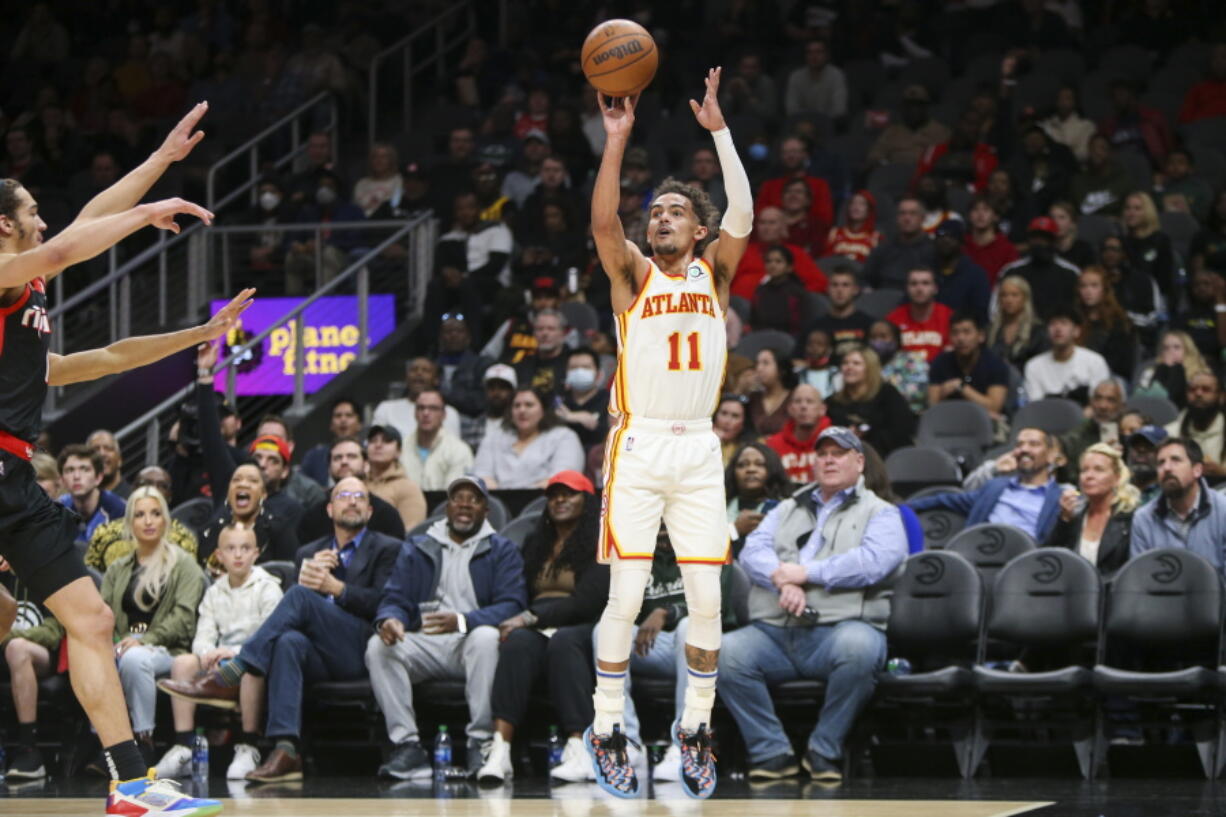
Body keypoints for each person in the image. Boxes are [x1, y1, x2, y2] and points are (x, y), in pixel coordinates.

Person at [0, 101, 243, 814]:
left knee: (94, 622)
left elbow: (99, 354)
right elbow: (63, 247)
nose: (45, 221)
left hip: (16, 480)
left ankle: (132, 787)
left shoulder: (29, 294)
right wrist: (149, 212)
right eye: (32, 211)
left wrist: (161, 160)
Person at [585, 67, 753, 798]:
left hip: (696, 448)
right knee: (623, 596)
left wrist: (718, 130)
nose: (661, 216)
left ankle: (694, 727)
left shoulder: (715, 273)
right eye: (656, 210)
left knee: (706, 599)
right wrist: (616, 140)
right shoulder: (634, 275)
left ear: (699, 227)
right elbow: (601, 224)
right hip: (640, 444)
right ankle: (609, 725)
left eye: (676, 209)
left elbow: (745, 211)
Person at [159, 476, 401, 783]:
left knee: (298, 596)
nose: (352, 500)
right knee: (288, 641)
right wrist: (318, 578)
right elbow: (297, 618)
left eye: (359, 496)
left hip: (361, 649)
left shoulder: (388, 548)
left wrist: (336, 587)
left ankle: (233, 672)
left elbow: (387, 602)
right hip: (317, 654)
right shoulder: (308, 553)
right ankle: (286, 749)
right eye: (344, 495)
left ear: (368, 510)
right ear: (329, 509)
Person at [722, 426, 906, 783]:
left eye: (839, 453)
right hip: (773, 631)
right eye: (823, 454)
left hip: (840, 629)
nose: (829, 460)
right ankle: (771, 753)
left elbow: (872, 562)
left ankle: (824, 749)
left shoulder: (882, 513)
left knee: (861, 647)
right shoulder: (786, 508)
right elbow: (754, 550)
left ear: (859, 462)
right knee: (724, 652)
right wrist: (781, 577)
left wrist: (806, 573)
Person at [367, 475, 526, 780]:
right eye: (457, 498)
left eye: (474, 499)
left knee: (485, 637)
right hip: (425, 641)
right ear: (447, 507)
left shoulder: (501, 549)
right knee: (378, 645)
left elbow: (512, 604)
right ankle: (408, 748)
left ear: (486, 510)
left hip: (469, 643)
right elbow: (394, 596)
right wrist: (390, 619)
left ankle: (480, 741)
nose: (465, 504)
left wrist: (464, 620)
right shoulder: (419, 546)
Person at [478, 471, 610, 784]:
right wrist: (523, 619)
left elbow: (587, 602)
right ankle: (500, 750)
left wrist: (531, 617)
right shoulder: (536, 542)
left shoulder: (602, 542)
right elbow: (520, 592)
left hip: (583, 624)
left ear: (587, 501)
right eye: (553, 495)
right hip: (537, 624)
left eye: (569, 494)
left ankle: (580, 747)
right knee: (518, 644)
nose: (560, 500)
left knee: (564, 643)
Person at [153, 524, 282, 781]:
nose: (238, 555)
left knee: (251, 667)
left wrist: (232, 653)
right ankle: (184, 746)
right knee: (183, 662)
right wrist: (208, 653)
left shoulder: (268, 588)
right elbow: (203, 634)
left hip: (251, 662)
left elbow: (269, 636)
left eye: (245, 549)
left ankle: (249, 745)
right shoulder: (213, 592)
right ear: (219, 556)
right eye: (231, 549)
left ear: (256, 553)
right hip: (218, 666)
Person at [612, 521, 738, 781]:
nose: (662, 529)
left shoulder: (710, 547)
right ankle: (626, 742)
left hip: (710, 646)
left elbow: (715, 606)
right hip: (656, 646)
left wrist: (668, 612)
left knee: (689, 625)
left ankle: (688, 744)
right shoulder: (635, 555)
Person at [102, 487, 207, 767]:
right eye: (139, 515)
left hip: (167, 649)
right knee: (97, 661)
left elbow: (184, 618)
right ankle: (100, 744)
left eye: (155, 513)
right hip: (123, 645)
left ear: (166, 520)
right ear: (129, 523)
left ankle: (142, 741)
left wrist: (145, 639)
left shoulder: (185, 565)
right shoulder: (117, 568)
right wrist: (112, 643)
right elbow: (103, 615)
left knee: (134, 658)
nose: (148, 521)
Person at [910, 427, 1064, 541]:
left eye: (1034, 444)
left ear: (1051, 455)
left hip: (1027, 565)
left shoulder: (1061, 497)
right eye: (1019, 445)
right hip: (981, 557)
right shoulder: (995, 487)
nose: (1024, 449)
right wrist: (900, 509)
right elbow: (945, 499)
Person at [1130, 437, 1226, 577]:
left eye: (1176, 460)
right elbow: (1140, 580)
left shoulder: (1223, 510)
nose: (1167, 468)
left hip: (1216, 596)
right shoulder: (1144, 518)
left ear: (1197, 470)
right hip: (1163, 597)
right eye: (1161, 463)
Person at [1046, 443, 1140, 575]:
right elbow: (1048, 560)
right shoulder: (1073, 515)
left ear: (1117, 478)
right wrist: (1064, 520)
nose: (1089, 476)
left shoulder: (1131, 517)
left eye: (1099, 469)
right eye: (1084, 470)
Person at [86, 466, 198, 570]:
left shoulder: (184, 539)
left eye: (162, 485)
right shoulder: (105, 535)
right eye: (146, 483)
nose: (153, 490)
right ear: (133, 489)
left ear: (170, 496)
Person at [296, 438, 406, 544]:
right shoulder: (312, 516)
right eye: (337, 458)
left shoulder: (387, 515)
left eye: (352, 456)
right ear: (329, 469)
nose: (344, 462)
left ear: (366, 465)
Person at [472, 387, 585, 490]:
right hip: (497, 502)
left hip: (545, 502)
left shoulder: (564, 437)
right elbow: (481, 475)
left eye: (529, 405)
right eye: (517, 406)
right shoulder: (493, 438)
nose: (522, 410)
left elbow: (563, 478)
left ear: (543, 410)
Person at [825, 345, 916, 456]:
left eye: (856, 363)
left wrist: (866, 435)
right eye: (845, 363)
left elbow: (902, 431)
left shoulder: (888, 394)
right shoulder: (833, 401)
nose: (849, 367)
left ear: (870, 368)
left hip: (886, 457)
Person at [997, 217, 1082, 322]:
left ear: (1053, 241)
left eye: (1045, 238)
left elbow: (1079, 309)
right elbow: (996, 307)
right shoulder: (1012, 271)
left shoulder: (1070, 273)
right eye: (1036, 238)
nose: (1040, 243)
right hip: (1019, 331)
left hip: (1058, 331)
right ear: (1029, 240)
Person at [926, 312, 1009, 418]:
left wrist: (961, 387)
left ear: (981, 336)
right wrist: (942, 394)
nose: (960, 338)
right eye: (955, 333)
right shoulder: (941, 362)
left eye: (967, 332)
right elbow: (932, 406)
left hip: (985, 424)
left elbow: (994, 408)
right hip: (949, 422)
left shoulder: (995, 364)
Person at [1023, 308, 1112, 404]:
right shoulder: (1034, 366)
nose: (1057, 329)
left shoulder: (1095, 361)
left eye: (1064, 323)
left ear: (1076, 331)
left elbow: (1100, 403)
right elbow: (1035, 406)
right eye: (1053, 324)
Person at [725, 442, 792, 558]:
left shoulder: (786, 509)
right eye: (742, 465)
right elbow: (701, 546)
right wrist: (735, 529)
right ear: (732, 472)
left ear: (772, 469)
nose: (751, 469)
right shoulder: (718, 507)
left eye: (760, 464)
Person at [373, 357, 463, 442]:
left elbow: (453, 449)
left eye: (426, 370)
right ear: (406, 378)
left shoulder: (449, 412)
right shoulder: (385, 408)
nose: (419, 373)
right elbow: (373, 443)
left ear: (436, 380)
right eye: (414, 370)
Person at [401, 389, 474, 492]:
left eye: (433, 408)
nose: (425, 413)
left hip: (444, 506)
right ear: (415, 413)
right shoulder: (400, 448)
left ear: (444, 414)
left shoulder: (459, 450)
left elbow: (455, 496)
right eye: (421, 408)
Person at [861, 196, 936, 291]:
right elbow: (866, 279)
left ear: (923, 218)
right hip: (883, 300)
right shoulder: (883, 249)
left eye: (913, 213)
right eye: (902, 213)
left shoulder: (933, 251)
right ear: (896, 218)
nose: (907, 218)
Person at [57, 444, 127, 546]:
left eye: (85, 469)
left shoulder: (119, 510)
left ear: (98, 478)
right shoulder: (58, 509)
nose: (77, 476)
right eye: (70, 470)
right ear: (62, 480)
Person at [1075, 266, 1138, 380]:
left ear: (1104, 289)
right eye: (1083, 286)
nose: (1088, 291)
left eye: (1094, 286)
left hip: (1110, 376)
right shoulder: (1074, 319)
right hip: (1077, 374)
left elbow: (1121, 364)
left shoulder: (1119, 322)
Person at [866, 84, 951, 168]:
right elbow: (875, 157)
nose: (913, 110)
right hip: (894, 173)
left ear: (926, 107)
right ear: (902, 108)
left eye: (918, 105)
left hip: (925, 175)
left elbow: (946, 161)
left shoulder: (940, 131)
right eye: (909, 105)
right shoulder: (892, 131)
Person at [1164, 372, 1226, 480]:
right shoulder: (1170, 433)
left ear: (1221, 397)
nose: (1198, 393)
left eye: (1206, 389)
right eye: (1192, 390)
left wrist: (1222, 473)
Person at [1062, 380, 1127, 483]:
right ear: (1091, 402)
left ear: (1122, 406)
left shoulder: (1130, 435)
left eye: (1111, 400)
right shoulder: (1075, 437)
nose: (1102, 406)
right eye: (1098, 398)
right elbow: (1070, 479)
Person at [766, 384, 831, 485]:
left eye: (810, 401)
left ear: (822, 409)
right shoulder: (773, 445)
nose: (803, 406)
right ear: (790, 409)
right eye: (797, 401)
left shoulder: (834, 441)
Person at [365, 425, 427, 530]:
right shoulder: (357, 483)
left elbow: (411, 532)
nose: (378, 445)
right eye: (373, 441)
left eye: (386, 441)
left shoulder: (408, 488)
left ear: (398, 451)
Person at [1121, 191, 1177, 308]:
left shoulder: (1160, 241)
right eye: (1128, 208)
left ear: (1148, 212)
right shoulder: (1120, 241)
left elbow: (1165, 280)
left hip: (1155, 299)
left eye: (1137, 209)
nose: (1131, 213)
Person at [808, 265, 874, 359]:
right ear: (827, 289)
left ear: (855, 290)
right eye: (834, 285)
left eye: (845, 285)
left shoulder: (869, 324)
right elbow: (797, 359)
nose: (839, 290)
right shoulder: (814, 327)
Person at [886, 267, 951, 363]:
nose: (919, 289)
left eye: (925, 283)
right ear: (907, 288)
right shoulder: (893, 319)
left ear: (935, 288)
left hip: (939, 374)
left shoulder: (949, 317)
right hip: (903, 374)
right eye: (914, 284)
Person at [1136, 327, 1209, 411]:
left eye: (1176, 347)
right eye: (1166, 348)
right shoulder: (1150, 371)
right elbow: (1147, 397)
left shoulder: (1199, 373)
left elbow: (1174, 395)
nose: (1171, 351)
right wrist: (1164, 368)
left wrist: (1174, 369)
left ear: (1187, 350)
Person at [752, 245, 818, 337]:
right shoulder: (760, 291)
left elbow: (804, 326)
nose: (772, 265)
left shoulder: (798, 293)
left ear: (789, 267)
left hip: (791, 341)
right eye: (768, 261)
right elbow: (753, 322)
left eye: (778, 261)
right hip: (762, 339)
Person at [931, 220, 989, 323]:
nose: (945, 240)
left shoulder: (975, 275)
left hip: (961, 332)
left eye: (951, 237)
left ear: (961, 242)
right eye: (941, 236)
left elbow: (981, 314)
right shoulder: (926, 272)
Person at [866, 320, 928, 416]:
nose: (877, 341)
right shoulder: (867, 363)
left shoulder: (912, 359)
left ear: (896, 339)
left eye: (883, 336)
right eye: (873, 337)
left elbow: (919, 392)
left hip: (911, 415)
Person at [988, 273, 1048, 372]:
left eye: (1014, 295)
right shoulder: (990, 330)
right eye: (1004, 295)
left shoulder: (1037, 331)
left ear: (1025, 298)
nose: (1009, 300)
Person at [556, 347, 610, 451]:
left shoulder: (610, 402)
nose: (579, 372)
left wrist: (595, 426)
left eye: (586, 367)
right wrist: (572, 417)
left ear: (599, 374)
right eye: (573, 368)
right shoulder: (558, 400)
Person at [300, 397, 362, 487]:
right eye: (338, 416)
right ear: (331, 425)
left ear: (360, 424)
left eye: (349, 415)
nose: (343, 420)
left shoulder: (369, 453)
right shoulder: (314, 456)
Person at [963, 195, 1018, 288]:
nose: (980, 214)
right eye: (975, 209)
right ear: (969, 215)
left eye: (986, 210)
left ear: (996, 216)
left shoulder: (1007, 249)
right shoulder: (961, 245)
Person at [784, 39, 847, 119]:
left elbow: (839, 110)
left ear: (827, 55)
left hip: (829, 124)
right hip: (801, 124)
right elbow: (791, 109)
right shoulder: (796, 77)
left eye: (818, 52)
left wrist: (818, 120)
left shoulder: (837, 75)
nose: (814, 56)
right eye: (809, 52)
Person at [1174, 269, 1226, 364]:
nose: (1201, 288)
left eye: (1206, 284)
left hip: (1216, 365)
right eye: (1197, 285)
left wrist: (1220, 297)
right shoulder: (1184, 316)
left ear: (1216, 287)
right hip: (1188, 363)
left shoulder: (1221, 313)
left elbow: (1223, 342)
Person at [515, 309, 570, 397]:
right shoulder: (523, 365)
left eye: (551, 329)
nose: (545, 333)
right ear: (534, 334)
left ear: (562, 333)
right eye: (540, 329)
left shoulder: (573, 362)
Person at [748, 348, 797, 437]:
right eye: (757, 364)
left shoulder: (794, 398)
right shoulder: (753, 398)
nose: (759, 368)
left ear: (782, 369)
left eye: (766, 363)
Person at [822, 190, 880, 263]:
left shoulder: (875, 238)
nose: (856, 207)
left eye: (862, 204)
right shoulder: (835, 233)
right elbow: (825, 260)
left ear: (869, 211)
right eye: (853, 203)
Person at [1178, 42, 1226, 125]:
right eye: (1214, 58)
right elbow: (1184, 121)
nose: (1218, 62)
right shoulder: (1198, 89)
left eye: (1224, 57)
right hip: (1202, 131)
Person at [1127, 424, 1167, 505]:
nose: (1141, 450)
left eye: (1149, 446)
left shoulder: (1170, 494)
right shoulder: (1117, 487)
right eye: (1136, 446)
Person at [1049, 201, 1095, 270]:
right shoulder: (1046, 249)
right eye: (1052, 218)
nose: (1056, 222)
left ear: (1073, 223)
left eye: (1061, 217)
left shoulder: (1084, 250)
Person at [87, 429, 132, 500]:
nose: (102, 453)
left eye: (108, 448)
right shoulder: (78, 500)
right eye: (95, 449)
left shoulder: (134, 499)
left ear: (119, 460)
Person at [714, 394, 756, 466]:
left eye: (735, 416)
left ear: (744, 422)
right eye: (724, 413)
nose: (727, 421)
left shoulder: (754, 446)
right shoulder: (702, 439)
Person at [798, 329, 840, 397]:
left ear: (829, 350)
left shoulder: (838, 374)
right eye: (810, 344)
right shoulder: (797, 374)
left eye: (820, 344)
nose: (814, 348)